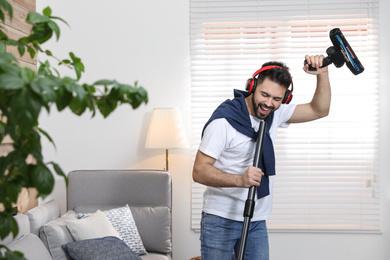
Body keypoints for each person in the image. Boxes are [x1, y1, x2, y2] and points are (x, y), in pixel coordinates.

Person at [192, 55, 331, 260]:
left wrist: (323, 74)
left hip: (256, 220)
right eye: (264, 94)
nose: (268, 103)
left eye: (277, 99)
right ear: (252, 86)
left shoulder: (275, 113)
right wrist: (239, 180)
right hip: (220, 219)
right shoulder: (223, 122)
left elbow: (319, 110)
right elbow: (199, 171)